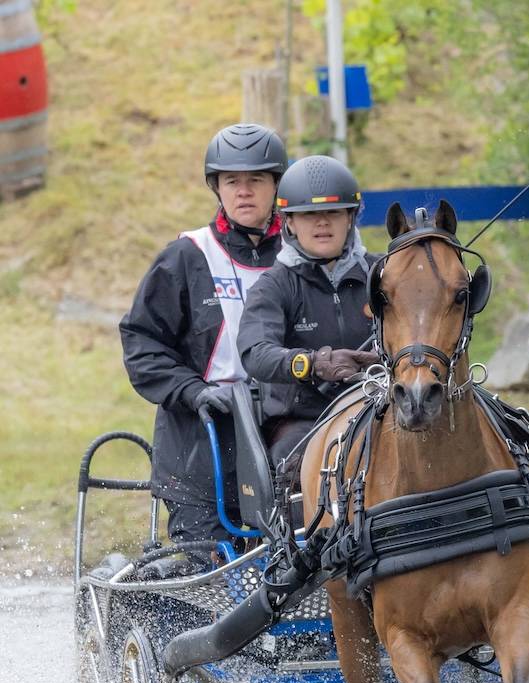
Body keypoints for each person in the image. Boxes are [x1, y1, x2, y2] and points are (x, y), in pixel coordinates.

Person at [119, 123, 288, 549]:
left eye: (256, 181)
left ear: (276, 187)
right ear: (217, 188)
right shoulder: (186, 257)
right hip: (201, 446)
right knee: (212, 570)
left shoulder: (298, 256)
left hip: (284, 435)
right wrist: (193, 392)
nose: (244, 192)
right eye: (232, 182)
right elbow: (142, 346)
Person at [237, 155, 380, 475]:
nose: (322, 222)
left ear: (351, 218)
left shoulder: (382, 273)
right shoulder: (273, 286)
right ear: (289, 222)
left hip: (385, 408)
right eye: (309, 214)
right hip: (305, 421)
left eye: (333, 212)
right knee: (296, 468)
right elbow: (255, 353)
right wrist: (313, 364)